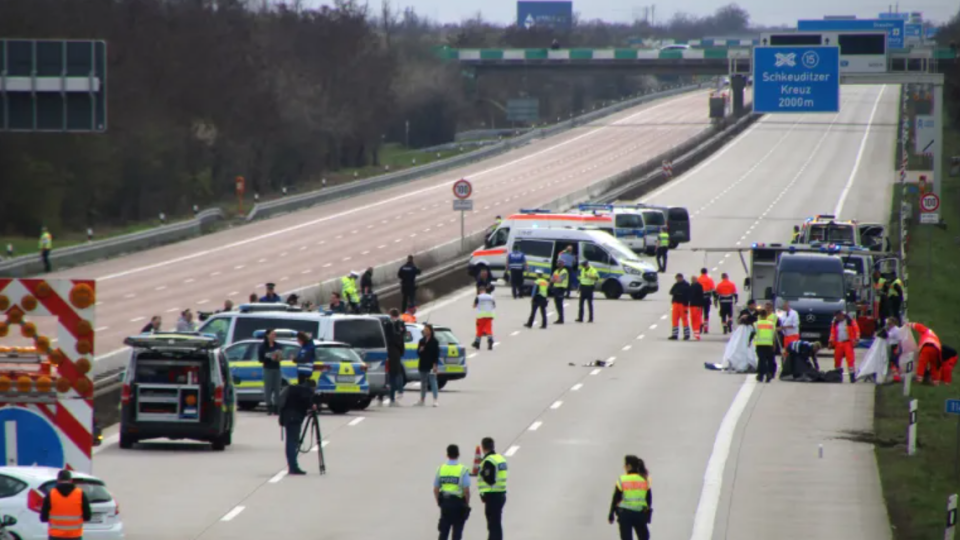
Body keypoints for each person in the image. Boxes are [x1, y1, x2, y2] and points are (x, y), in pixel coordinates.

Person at [278, 373, 316, 475]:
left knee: (290, 441)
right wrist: (312, 406)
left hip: (287, 417)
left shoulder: (294, 389)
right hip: (294, 418)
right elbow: (308, 404)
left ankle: (292, 465)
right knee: (292, 442)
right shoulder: (306, 391)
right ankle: (293, 467)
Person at [608, 455, 652, 540]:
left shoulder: (622, 479)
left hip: (625, 515)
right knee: (644, 537)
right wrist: (647, 513)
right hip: (640, 514)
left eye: (625, 465)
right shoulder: (645, 479)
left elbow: (616, 498)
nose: (624, 467)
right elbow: (649, 499)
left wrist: (611, 513)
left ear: (629, 466)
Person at [40, 469, 92, 538]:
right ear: (71, 481)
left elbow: (43, 518)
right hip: (75, 536)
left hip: (56, 536)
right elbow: (87, 516)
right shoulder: (80, 494)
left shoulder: (51, 494)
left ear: (58, 481)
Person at [434, 444, 471, 540]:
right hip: (458, 504)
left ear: (447, 455)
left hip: (445, 503)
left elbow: (436, 489)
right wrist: (466, 503)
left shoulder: (441, 469)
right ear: (458, 454)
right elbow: (466, 491)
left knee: (443, 532)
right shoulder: (463, 470)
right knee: (457, 532)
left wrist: (439, 502)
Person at [478, 437, 508, 540]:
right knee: (496, 524)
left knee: (493, 525)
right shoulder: (500, 458)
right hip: (501, 494)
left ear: (483, 447)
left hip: (492, 496)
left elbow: (489, 479)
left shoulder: (489, 461)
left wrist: (481, 472)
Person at [829, 311, 860, 383]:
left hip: (848, 342)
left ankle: (852, 376)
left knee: (850, 360)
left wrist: (856, 339)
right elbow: (832, 333)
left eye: (837, 316)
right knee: (837, 359)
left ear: (841, 315)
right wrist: (830, 342)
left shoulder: (850, 321)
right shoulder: (835, 323)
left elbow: (857, 330)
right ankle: (837, 376)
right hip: (838, 343)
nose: (837, 318)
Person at [752, 306, 778, 383]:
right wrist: (774, 344)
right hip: (769, 344)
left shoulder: (756, 324)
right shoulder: (771, 324)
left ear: (760, 315)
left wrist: (748, 341)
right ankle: (768, 373)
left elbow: (753, 333)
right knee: (769, 359)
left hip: (760, 344)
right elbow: (774, 335)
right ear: (766, 315)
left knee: (762, 360)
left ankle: (763, 374)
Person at [260, 329, 283, 415]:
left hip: (276, 368)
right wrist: (268, 357)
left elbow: (281, 357)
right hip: (268, 368)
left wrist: (278, 357)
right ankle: (269, 406)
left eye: (275, 334)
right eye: (272, 334)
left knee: (277, 388)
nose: (274, 336)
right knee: (268, 388)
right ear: (267, 335)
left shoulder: (278, 345)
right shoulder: (263, 346)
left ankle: (276, 407)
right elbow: (260, 359)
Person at [386, 309, 406, 406]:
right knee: (395, 373)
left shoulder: (391, 324)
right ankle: (395, 395)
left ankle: (394, 395)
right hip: (396, 351)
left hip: (393, 351)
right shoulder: (398, 324)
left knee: (394, 374)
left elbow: (393, 337)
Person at [417, 324, 440, 407]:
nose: (425, 331)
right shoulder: (421, 341)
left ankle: (435, 400)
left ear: (430, 331)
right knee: (423, 383)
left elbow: (436, 354)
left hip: (431, 364)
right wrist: (420, 350)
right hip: (423, 363)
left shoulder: (435, 341)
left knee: (433, 382)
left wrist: (435, 365)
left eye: (427, 330)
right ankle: (422, 399)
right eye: (424, 330)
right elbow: (418, 353)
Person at [668, 273, 691, 341]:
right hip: (676, 303)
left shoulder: (686, 285)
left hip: (683, 304)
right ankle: (675, 334)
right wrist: (677, 293)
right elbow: (671, 292)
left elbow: (687, 294)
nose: (677, 280)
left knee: (684, 319)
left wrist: (679, 294)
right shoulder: (676, 285)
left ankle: (686, 334)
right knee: (674, 319)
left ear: (681, 278)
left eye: (678, 278)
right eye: (676, 278)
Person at [473, 285, 496, 351]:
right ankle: (490, 340)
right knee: (489, 329)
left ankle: (477, 342)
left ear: (479, 291)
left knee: (479, 329)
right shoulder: (491, 297)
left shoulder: (478, 297)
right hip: (490, 315)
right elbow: (494, 306)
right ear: (485, 291)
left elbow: (474, 306)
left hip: (481, 316)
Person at [697, 269, 715, 334]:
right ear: (706, 272)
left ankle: (700, 324)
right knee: (706, 313)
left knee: (699, 313)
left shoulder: (698, 279)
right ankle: (706, 328)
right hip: (707, 298)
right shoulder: (709, 280)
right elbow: (713, 290)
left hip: (699, 299)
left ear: (701, 272)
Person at [688, 274, 704, 341]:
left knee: (697, 319)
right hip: (692, 305)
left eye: (693, 279)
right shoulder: (691, 286)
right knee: (693, 318)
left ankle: (697, 333)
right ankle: (695, 331)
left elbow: (700, 296)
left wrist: (699, 305)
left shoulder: (699, 286)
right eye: (692, 279)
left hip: (697, 305)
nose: (692, 280)